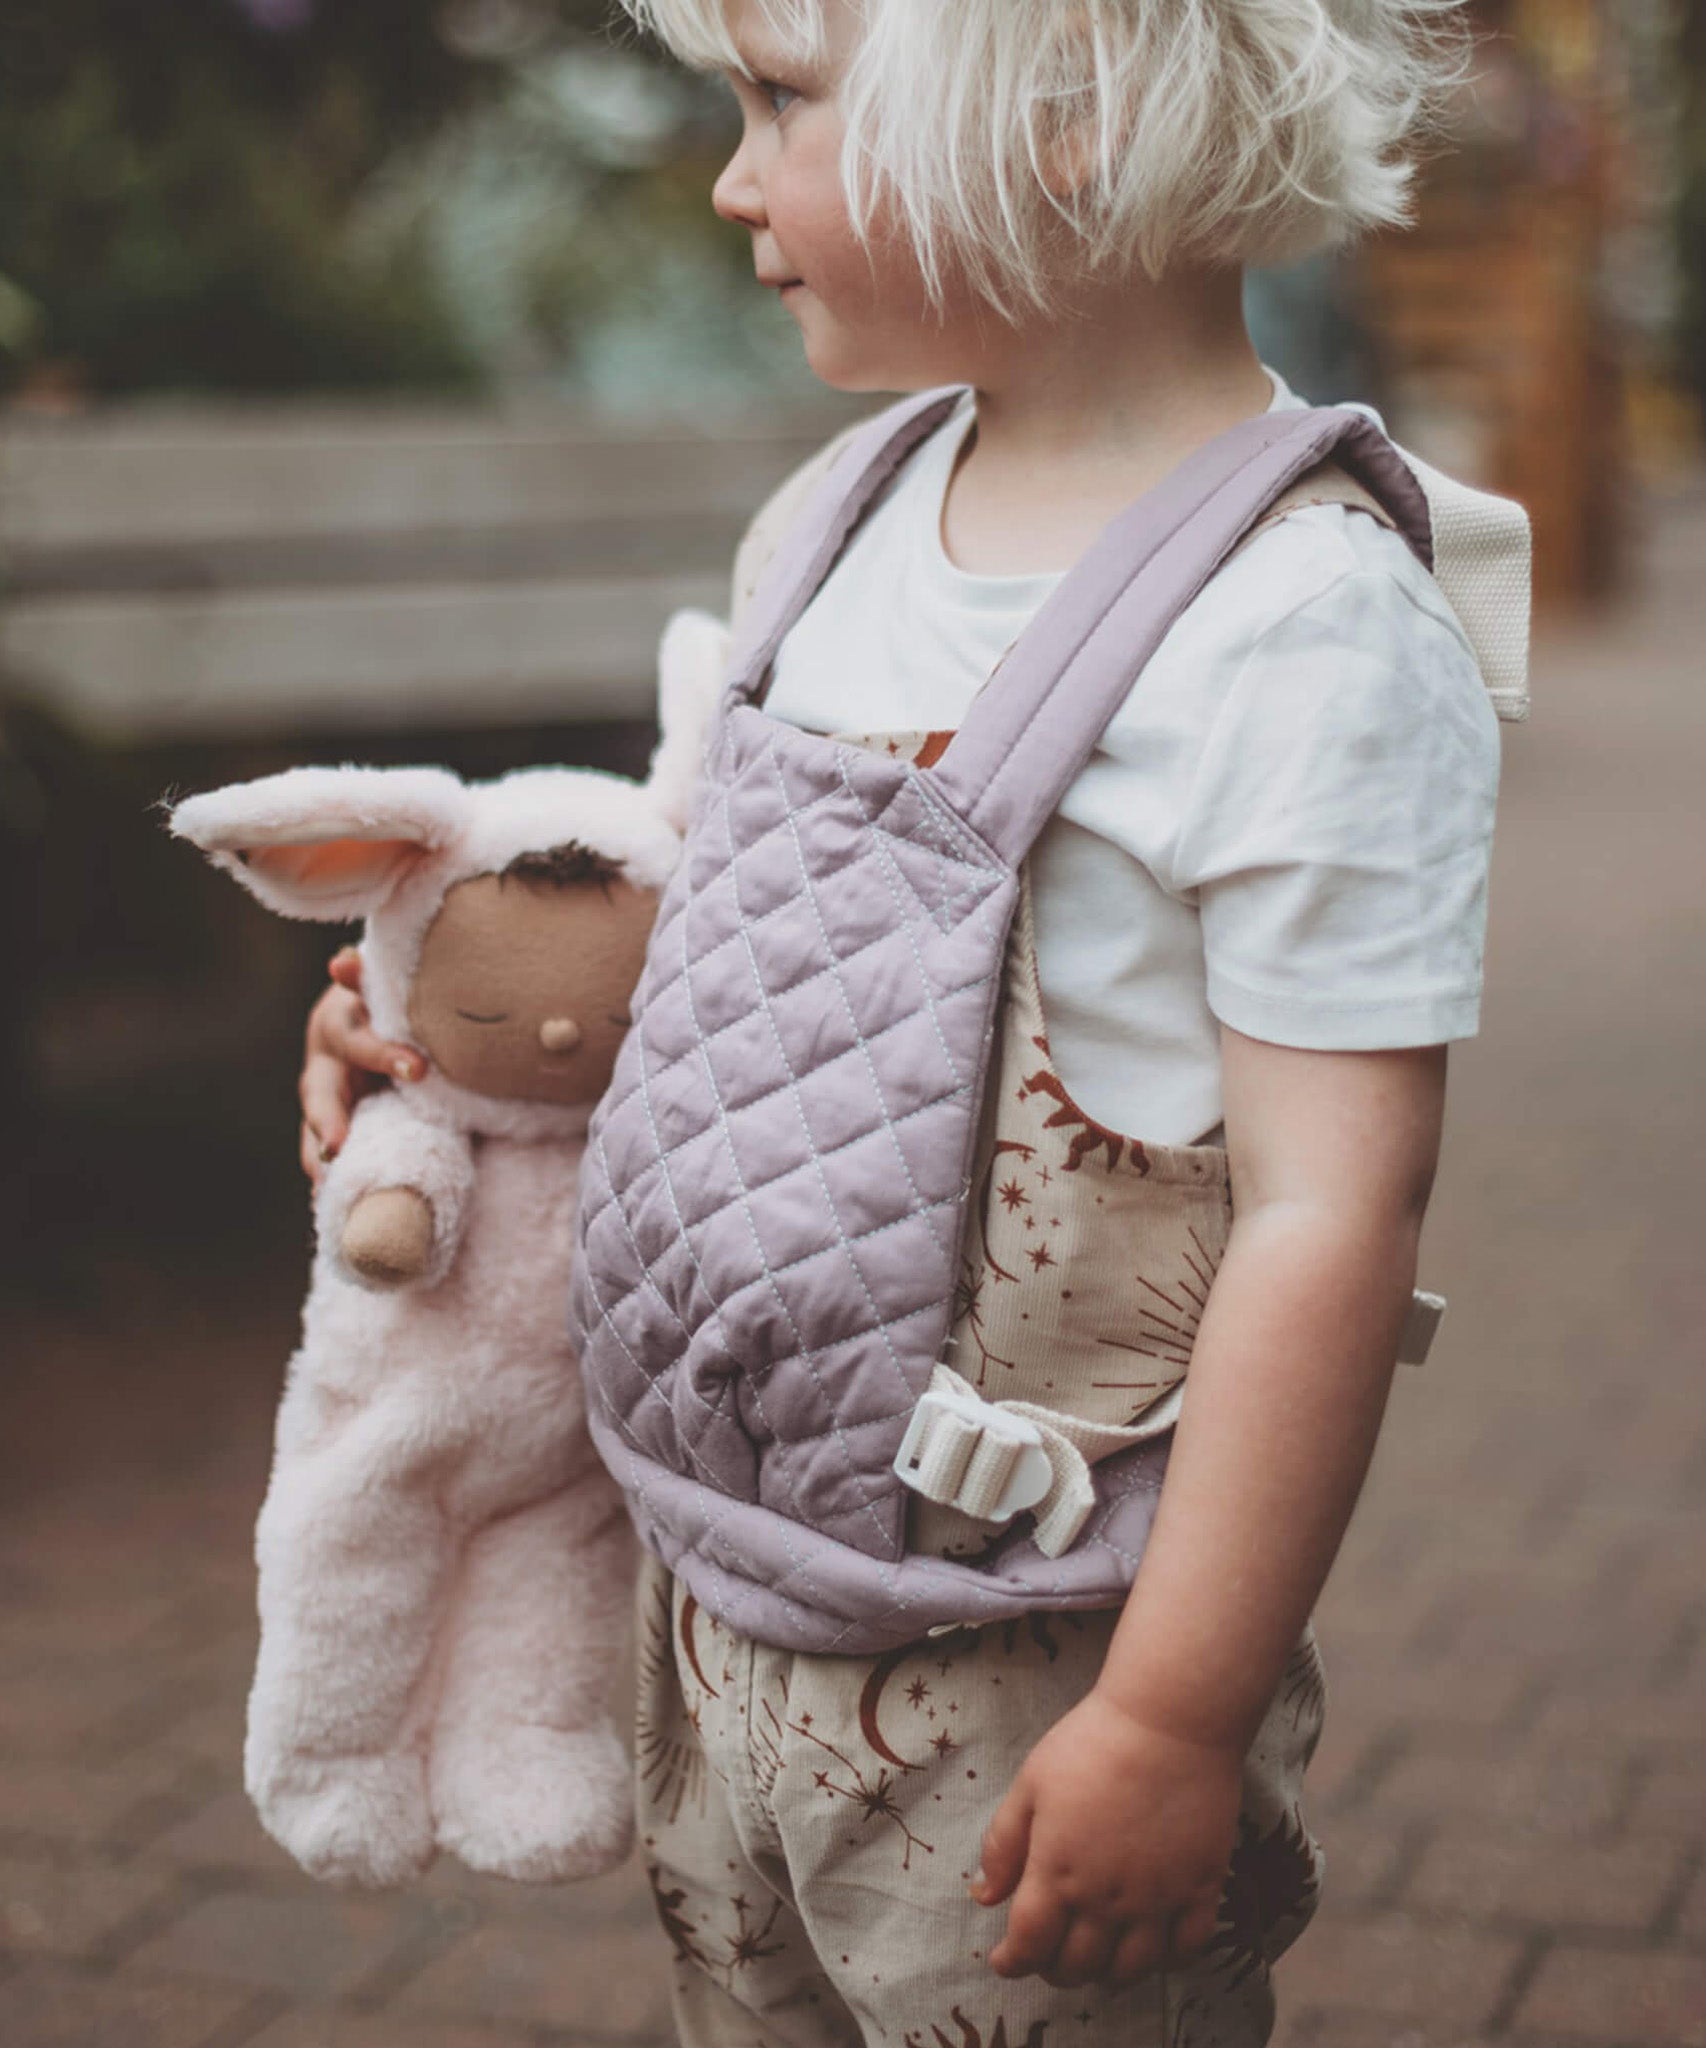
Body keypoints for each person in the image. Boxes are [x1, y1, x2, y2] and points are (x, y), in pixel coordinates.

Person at [297, 3, 1517, 2042]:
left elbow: (1334, 1215)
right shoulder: (834, 521)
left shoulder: (1300, 633)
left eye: (782, 102)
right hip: (718, 1602)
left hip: (1031, 1660)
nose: (730, 174)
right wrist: (429, 1021)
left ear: (1071, 118)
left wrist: (1173, 1713)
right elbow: (715, 968)